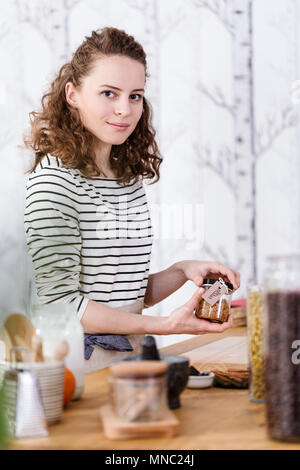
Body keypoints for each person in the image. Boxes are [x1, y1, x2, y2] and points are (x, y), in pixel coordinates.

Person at [23, 27, 240, 372]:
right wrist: (164, 326)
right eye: (109, 93)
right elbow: (60, 306)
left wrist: (183, 270)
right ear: (73, 94)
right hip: (74, 370)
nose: (124, 109)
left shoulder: (123, 179)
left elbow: (124, 294)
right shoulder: (55, 184)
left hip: (129, 363)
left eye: (135, 95)